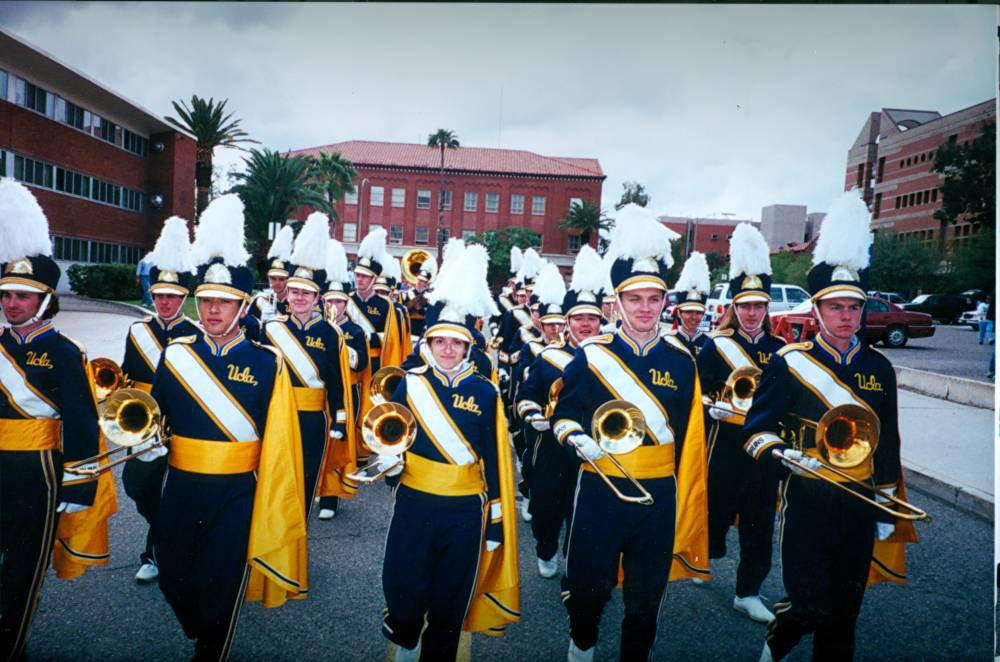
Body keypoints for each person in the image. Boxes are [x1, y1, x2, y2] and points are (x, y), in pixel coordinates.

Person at [743, 191, 917, 662]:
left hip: (859, 500)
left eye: (854, 308)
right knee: (808, 603)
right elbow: (756, 431)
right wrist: (782, 454)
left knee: (845, 614)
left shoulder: (879, 367)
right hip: (808, 496)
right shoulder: (790, 363)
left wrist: (886, 502)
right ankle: (778, 640)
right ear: (817, 311)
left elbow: (888, 438)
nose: (846, 317)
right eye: (836, 307)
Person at [151, 194, 306, 661]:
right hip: (180, 484)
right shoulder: (177, 353)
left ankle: (212, 646)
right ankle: (202, 627)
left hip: (238, 489)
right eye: (206, 301)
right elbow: (155, 417)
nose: (212, 310)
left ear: (243, 308)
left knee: (222, 578)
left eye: (224, 302)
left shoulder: (266, 362)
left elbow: (278, 438)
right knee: (173, 574)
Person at [551, 204, 707, 662]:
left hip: (657, 492)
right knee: (588, 587)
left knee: (645, 594)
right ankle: (582, 645)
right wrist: (575, 438)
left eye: (653, 299)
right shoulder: (592, 355)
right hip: (600, 483)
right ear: (616, 303)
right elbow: (564, 414)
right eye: (634, 299)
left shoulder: (682, 360)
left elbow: (689, 437)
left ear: (665, 303)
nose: (644, 308)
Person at [379, 243, 518, 661]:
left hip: (464, 509)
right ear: (430, 342)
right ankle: (405, 633)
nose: (448, 350)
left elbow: (495, 459)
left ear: (468, 347)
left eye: (457, 344)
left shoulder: (485, 390)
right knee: (404, 584)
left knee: (450, 597)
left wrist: (495, 522)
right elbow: (392, 438)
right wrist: (387, 466)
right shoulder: (409, 381)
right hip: (415, 499)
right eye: (441, 342)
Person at [0, 179, 115, 660]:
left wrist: (77, 487)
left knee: (22, 568)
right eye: (6, 294)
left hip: (40, 470)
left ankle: (11, 645)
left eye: (23, 296)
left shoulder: (66, 352)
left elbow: (84, 425)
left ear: (46, 300)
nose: (11, 303)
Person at [696, 224, 785, 624]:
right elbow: (692, 394)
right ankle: (703, 555)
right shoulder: (714, 346)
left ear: (767, 308)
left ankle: (747, 592)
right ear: (733, 307)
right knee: (714, 515)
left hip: (764, 454)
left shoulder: (782, 351)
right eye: (745, 306)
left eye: (759, 306)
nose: (752, 313)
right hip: (724, 450)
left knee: (760, 524)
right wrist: (709, 406)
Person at [120, 215, 199, 584]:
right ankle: (163, 530)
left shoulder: (195, 335)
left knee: (171, 487)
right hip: (140, 422)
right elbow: (123, 377)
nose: (164, 302)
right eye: (160, 296)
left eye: (172, 297)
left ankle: (153, 552)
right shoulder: (138, 330)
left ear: (184, 298)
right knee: (137, 483)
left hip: (179, 423)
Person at [517, 245, 604, 579]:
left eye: (592, 318)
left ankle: (576, 559)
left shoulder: (611, 358)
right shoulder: (549, 357)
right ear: (567, 323)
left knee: (586, 511)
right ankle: (546, 548)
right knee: (547, 508)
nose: (585, 324)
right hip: (552, 446)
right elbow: (525, 396)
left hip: (596, 448)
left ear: (601, 320)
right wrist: (532, 414)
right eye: (579, 318)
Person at [263, 212, 349, 521]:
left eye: (306, 293)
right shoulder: (272, 329)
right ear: (287, 293)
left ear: (317, 297)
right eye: (294, 291)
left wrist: (339, 421)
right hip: (277, 415)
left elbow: (337, 382)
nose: (299, 298)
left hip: (314, 419)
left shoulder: (330, 332)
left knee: (306, 482)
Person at [317, 238, 368, 521]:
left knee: (337, 444)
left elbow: (359, 361)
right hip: (319, 393)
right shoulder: (318, 327)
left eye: (338, 301)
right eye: (329, 300)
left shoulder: (355, 331)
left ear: (346, 303)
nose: (333, 305)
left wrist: (340, 346)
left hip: (347, 392)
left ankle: (331, 495)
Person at [512, 263, 565, 524]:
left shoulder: (573, 352)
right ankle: (528, 492)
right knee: (532, 460)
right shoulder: (531, 347)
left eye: (559, 324)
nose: (555, 330)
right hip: (539, 418)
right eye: (550, 325)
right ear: (541, 325)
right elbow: (520, 376)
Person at [347, 227, 403, 413]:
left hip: (376, 361)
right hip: (352, 359)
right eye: (358, 275)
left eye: (365, 276)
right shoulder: (347, 301)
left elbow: (391, 337)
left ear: (374, 279)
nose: (360, 279)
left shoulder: (385, 304)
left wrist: (369, 337)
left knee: (371, 406)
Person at [249, 224, 294, 323]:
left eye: (281, 279)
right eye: (273, 278)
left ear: (288, 279)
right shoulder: (260, 300)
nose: (277, 282)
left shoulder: (296, 302)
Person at [669, 252, 711, 356]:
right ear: (679, 313)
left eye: (699, 312)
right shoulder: (667, 342)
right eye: (688, 312)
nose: (694, 317)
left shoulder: (709, 344)